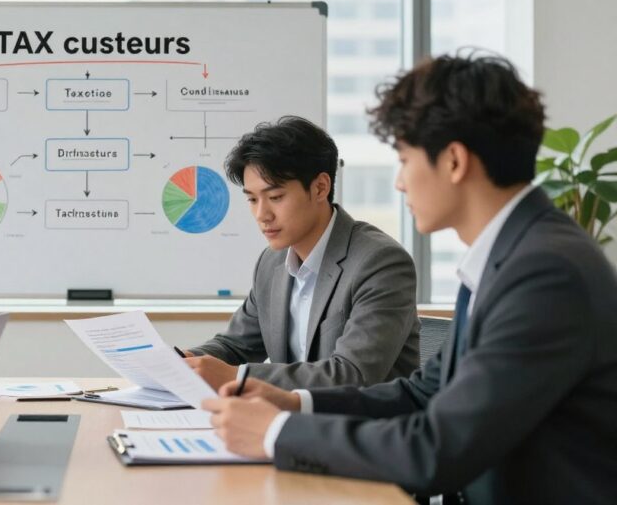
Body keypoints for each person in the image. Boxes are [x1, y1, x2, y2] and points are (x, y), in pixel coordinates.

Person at [203, 54, 617, 504]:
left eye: (404, 159)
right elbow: (422, 394)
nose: (400, 183)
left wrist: (276, 433)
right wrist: (295, 403)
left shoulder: (544, 273)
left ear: (454, 161)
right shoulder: (508, 255)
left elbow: (438, 448)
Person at [183, 116, 419, 390]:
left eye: (275, 197)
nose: (262, 215)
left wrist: (236, 377)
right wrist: (182, 360)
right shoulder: (271, 262)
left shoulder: (380, 263)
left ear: (320, 187)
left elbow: (351, 374)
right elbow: (235, 346)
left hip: (360, 416)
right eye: (252, 199)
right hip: (288, 414)